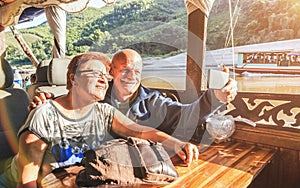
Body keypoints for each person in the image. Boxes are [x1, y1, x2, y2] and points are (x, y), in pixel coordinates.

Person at [0, 52, 198, 187]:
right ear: (73, 79)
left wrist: (178, 144)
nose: (104, 80)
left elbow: (140, 131)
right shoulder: (44, 116)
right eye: (96, 74)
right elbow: (27, 181)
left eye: (106, 75)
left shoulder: (103, 111)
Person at [30, 49, 237, 144]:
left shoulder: (152, 101)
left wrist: (215, 96)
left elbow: (184, 117)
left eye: (137, 71)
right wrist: (48, 103)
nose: (132, 76)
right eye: (125, 70)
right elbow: (70, 105)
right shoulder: (96, 96)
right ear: (112, 73)